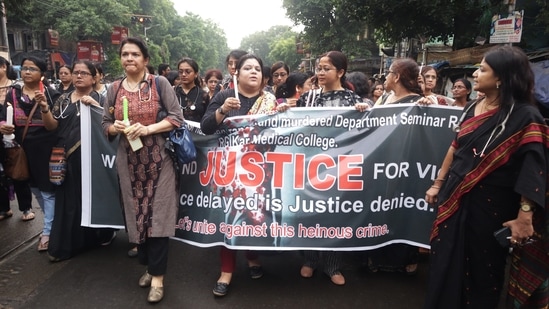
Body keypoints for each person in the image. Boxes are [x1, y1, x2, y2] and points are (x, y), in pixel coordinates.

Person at [423, 45, 549, 309]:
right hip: (454, 197)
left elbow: (533, 169)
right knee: (445, 258)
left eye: (482, 69)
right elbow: (455, 146)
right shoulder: (473, 107)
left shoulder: (526, 116)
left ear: (501, 77)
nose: (475, 74)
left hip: (492, 207)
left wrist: (525, 215)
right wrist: (437, 184)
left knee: (483, 270)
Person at [102, 37, 184, 304]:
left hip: (160, 161)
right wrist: (117, 127)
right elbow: (105, 124)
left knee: (158, 218)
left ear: (145, 60)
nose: (129, 59)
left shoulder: (160, 85)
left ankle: (158, 278)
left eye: (135, 54)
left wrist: (148, 128)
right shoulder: (114, 89)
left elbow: (176, 118)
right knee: (138, 217)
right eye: (124, 54)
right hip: (129, 163)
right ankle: (150, 267)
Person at [201, 54, 285, 297]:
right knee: (230, 220)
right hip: (231, 172)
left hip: (261, 172)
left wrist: (284, 115)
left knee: (256, 217)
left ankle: (252, 257)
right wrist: (222, 112)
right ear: (237, 73)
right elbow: (207, 126)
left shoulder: (270, 101)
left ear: (263, 75)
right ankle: (226, 271)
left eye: (257, 69)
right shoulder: (225, 96)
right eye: (247, 68)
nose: (253, 72)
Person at [294, 51, 369, 286]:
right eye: (319, 67)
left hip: (339, 168)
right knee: (309, 212)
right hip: (310, 166)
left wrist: (364, 110)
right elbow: (293, 127)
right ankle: (310, 259)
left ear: (341, 72)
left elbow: (372, 121)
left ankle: (332, 264)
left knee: (333, 215)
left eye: (326, 68)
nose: (320, 72)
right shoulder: (308, 99)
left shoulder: (352, 100)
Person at [40, 60, 116, 260]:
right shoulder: (63, 99)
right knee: (67, 201)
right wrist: (44, 109)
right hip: (65, 157)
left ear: (94, 77)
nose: (79, 76)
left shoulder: (101, 98)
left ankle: (93, 237)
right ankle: (63, 245)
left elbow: (110, 128)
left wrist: (97, 106)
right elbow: (52, 127)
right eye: (76, 72)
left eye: (84, 73)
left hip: (92, 159)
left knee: (89, 199)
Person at [368, 58, 422, 275]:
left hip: (404, 168)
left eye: (389, 73)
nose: (386, 78)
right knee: (379, 211)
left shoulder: (418, 103)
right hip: (380, 167)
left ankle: (406, 258)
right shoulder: (384, 98)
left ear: (397, 77)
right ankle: (377, 257)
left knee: (402, 211)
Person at [0, 56, 61, 247]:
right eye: (25, 68)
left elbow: (53, 127)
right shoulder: (13, 94)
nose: (27, 72)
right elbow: (3, 117)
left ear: (42, 74)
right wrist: (3, 126)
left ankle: (48, 232)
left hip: (45, 149)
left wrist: (44, 108)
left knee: (48, 190)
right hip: (21, 150)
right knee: (35, 189)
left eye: (32, 69)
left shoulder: (51, 95)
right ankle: (54, 223)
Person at [0, 56, 17, 221]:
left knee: (18, 169)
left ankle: (26, 207)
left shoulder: (15, 87)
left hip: (15, 136)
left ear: (4, 67)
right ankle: (3, 207)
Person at [174, 57, 208, 122]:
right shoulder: (172, 92)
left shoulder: (203, 95)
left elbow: (207, 118)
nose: (183, 74)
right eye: (181, 72)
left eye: (188, 72)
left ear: (196, 74)